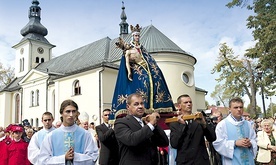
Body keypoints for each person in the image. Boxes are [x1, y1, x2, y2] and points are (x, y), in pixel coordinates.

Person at [111, 24, 174, 120]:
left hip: (147, 68)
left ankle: (158, 106)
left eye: (138, 36)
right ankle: (142, 107)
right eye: (135, 35)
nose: (137, 37)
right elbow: (126, 63)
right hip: (136, 70)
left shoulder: (142, 49)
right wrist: (129, 72)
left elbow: (149, 60)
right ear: (132, 36)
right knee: (143, 82)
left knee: (156, 76)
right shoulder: (129, 49)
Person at [114, 93, 169, 165]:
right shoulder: (121, 123)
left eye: (142, 103)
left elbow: (164, 142)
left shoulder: (147, 123)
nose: (140, 106)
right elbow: (132, 140)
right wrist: (151, 124)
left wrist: (155, 125)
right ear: (128, 107)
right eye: (136, 104)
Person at [39, 99, 99, 165]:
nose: (71, 115)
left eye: (73, 111)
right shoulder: (51, 136)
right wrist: (63, 158)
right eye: (68, 111)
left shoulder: (85, 134)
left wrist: (76, 157)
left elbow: (93, 157)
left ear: (77, 113)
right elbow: (43, 160)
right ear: (61, 113)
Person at [169, 94, 216, 165]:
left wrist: (204, 124)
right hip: (185, 162)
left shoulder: (199, 119)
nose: (189, 104)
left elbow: (212, 138)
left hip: (201, 161)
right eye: (186, 102)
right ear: (179, 106)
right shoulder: (175, 123)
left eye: (190, 102)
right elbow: (174, 144)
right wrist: (182, 125)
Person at [213, 97, 257, 165]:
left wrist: (250, 143)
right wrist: (235, 143)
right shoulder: (222, 124)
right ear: (229, 109)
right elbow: (218, 144)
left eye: (241, 107)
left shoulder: (248, 124)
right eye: (236, 107)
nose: (239, 109)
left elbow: (254, 140)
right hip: (232, 161)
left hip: (248, 161)